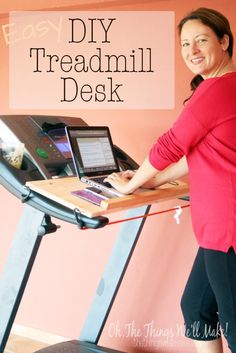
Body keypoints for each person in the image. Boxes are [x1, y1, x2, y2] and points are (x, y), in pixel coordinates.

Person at [105, 7, 236, 353]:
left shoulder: (217, 90)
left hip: (229, 232)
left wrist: (131, 185)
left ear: (224, 41)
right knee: (196, 309)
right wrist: (153, 181)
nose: (191, 51)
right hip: (218, 234)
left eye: (202, 40)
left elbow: (170, 145)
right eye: (185, 44)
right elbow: (202, 155)